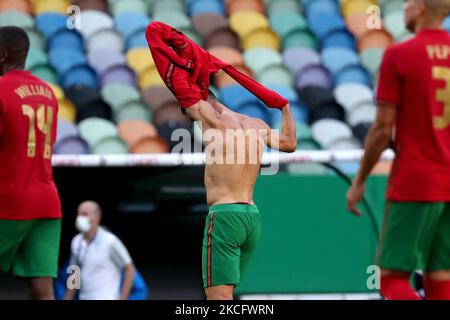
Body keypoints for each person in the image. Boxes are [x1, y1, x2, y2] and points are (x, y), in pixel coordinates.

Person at [147, 22, 297, 300]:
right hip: (252, 217)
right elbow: (290, 143)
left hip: (225, 216)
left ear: (202, 102)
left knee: (218, 299)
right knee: (228, 294)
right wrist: (284, 107)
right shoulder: (255, 124)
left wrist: (181, 57)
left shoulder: (210, 121)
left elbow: (156, 36)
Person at [346, 0, 450, 300]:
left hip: (416, 180)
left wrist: (360, 180)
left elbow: (381, 130)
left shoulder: (399, 55)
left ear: (419, 8)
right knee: (440, 276)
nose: (403, 7)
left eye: (407, 2)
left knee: (391, 279)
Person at [0, 26, 62, 300]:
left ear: (2, 55)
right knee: (42, 290)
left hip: (9, 199)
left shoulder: (1, 90)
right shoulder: (48, 92)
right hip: (47, 202)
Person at [64, 201, 136, 300]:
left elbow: (129, 269)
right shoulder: (76, 241)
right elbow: (74, 273)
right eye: (79, 214)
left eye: (85, 214)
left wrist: (122, 298)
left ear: (97, 217)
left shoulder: (110, 241)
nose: (80, 217)